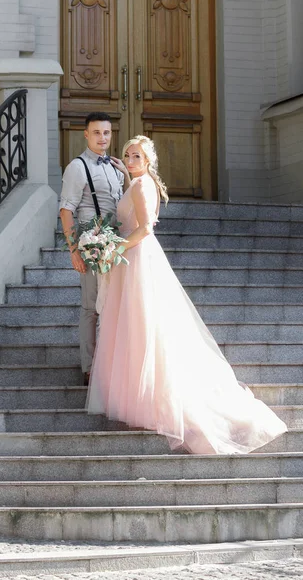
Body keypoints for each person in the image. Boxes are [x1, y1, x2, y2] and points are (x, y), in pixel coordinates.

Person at [86, 135, 287, 454]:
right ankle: (140, 398)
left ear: (147, 160)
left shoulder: (140, 186)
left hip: (136, 257)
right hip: (133, 258)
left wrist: (114, 247)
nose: (129, 159)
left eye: (135, 155)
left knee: (142, 326)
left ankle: (151, 399)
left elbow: (145, 228)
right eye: (126, 155)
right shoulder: (139, 183)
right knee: (137, 327)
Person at [60, 112, 129, 386]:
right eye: (97, 133)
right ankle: (89, 368)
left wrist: (125, 173)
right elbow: (66, 210)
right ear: (86, 135)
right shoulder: (77, 167)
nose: (103, 138)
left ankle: (111, 363)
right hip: (91, 246)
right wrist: (74, 250)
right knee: (91, 307)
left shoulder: (115, 168)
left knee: (114, 306)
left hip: (115, 245)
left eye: (107, 133)